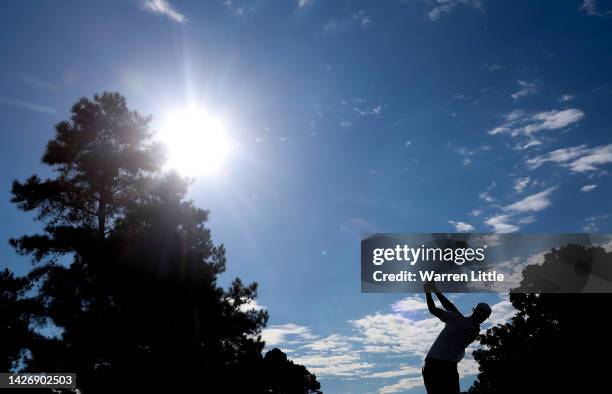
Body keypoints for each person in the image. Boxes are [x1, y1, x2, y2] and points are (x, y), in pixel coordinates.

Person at [422, 281, 491, 394]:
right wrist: (433, 290)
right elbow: (451, 309)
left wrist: (429, 291)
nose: (482, 318)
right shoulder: (464, 324)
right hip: (441, 367)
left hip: (436, 365)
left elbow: (436, 309)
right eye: (483, 315)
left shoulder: (471, 329)